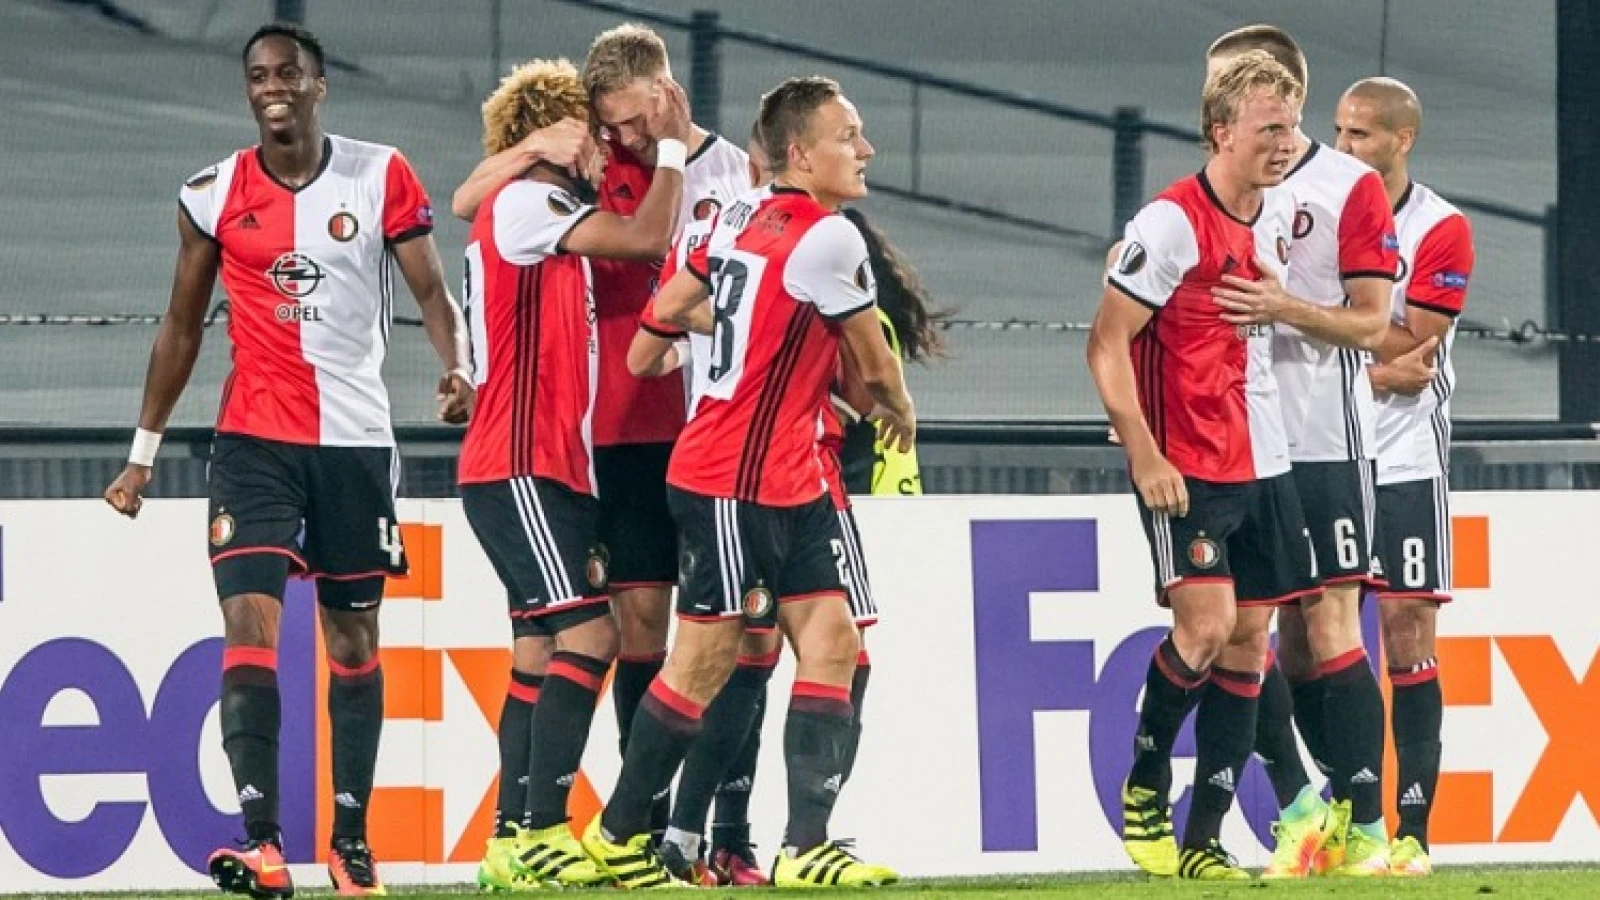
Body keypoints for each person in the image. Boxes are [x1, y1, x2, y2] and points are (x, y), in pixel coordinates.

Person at [102, 23, 473, 899]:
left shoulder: (380, 175)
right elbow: (182, 326)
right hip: (254, 439)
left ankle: (350, 842)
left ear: (318, 86)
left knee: (351, 636)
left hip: (352, 440)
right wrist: (141, 456)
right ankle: (263, 840)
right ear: (249, 92)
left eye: (288, 74)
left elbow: (431, 290)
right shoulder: (211, 193)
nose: (273, 86)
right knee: (249, 623)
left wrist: (456, 367)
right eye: (258, 76)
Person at [581, 76, 911, 889]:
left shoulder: (728, 214)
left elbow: (662, 320)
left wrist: (716, 328)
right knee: (704, 662)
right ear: (801, 152)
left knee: (837, 643)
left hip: (786, 476)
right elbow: (874, 368)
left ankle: (806, 847)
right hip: (732, 479)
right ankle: (621, 832)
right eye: (850, 136)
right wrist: (901, 407)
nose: (865, 150)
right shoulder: (831, 238)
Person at [453, 25, 755, 858]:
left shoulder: (730, 170)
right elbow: (469, 198)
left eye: (628, 122)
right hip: (606, 438)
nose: (615, 138)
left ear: (665, 92)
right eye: (604, 126)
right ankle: (625, 830)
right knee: (627, 634)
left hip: (700, 433)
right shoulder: (589, 166)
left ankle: (719, 834)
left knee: (735, 634)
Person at [1090, 50, 1313, 882]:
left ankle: (1204, 839)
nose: (1284, 140)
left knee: (1249, 642)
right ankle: (1146, 783)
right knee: (1207, 628)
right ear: (1221, 132)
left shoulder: (1279, 209)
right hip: (1185, 461)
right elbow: (1105, 344)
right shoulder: (1169, 223)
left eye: (1291, 125)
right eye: (1268, 127)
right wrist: (1144, 451)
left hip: (1264, 456)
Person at [1205, 25, 1402, 878]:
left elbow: (1372, 322)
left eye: (1235, 89)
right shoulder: (1208, 191)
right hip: (1233, 438)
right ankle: (1303, 812)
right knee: (1251, 635)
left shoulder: (1348, 186)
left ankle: (1365, 826)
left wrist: (1285, 308)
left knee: (1324, 626)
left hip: (1322, 437)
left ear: (1282, 93)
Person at [1335, 76, 1474, 877]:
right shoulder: (1310, 211)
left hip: (1407, 460)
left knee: (1408, 636)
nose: (1346, 146)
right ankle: (1346, 817)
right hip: (1327, 454)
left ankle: (1412, 833)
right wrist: (1367, 353)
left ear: (1401, 139)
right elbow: (1382, 352)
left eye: (1361, 134)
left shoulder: (1441, 227)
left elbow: (1416, 348)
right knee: (1308, 640)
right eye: (1341, 131)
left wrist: (1336, 343)